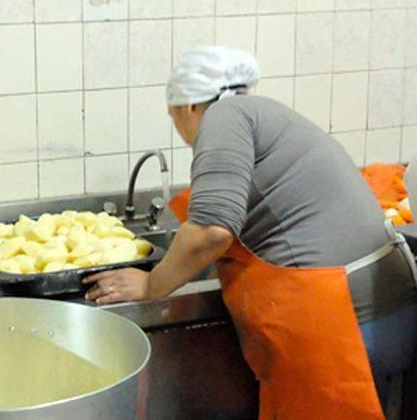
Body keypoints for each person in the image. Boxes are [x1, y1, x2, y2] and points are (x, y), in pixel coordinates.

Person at [85, 46, 417, 419]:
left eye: (172, 112)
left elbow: (211, 230)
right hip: (386, 307)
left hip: (340, 319)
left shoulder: (224, 117)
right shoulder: (264, 114)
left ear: (189, 106)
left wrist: (151, 285)